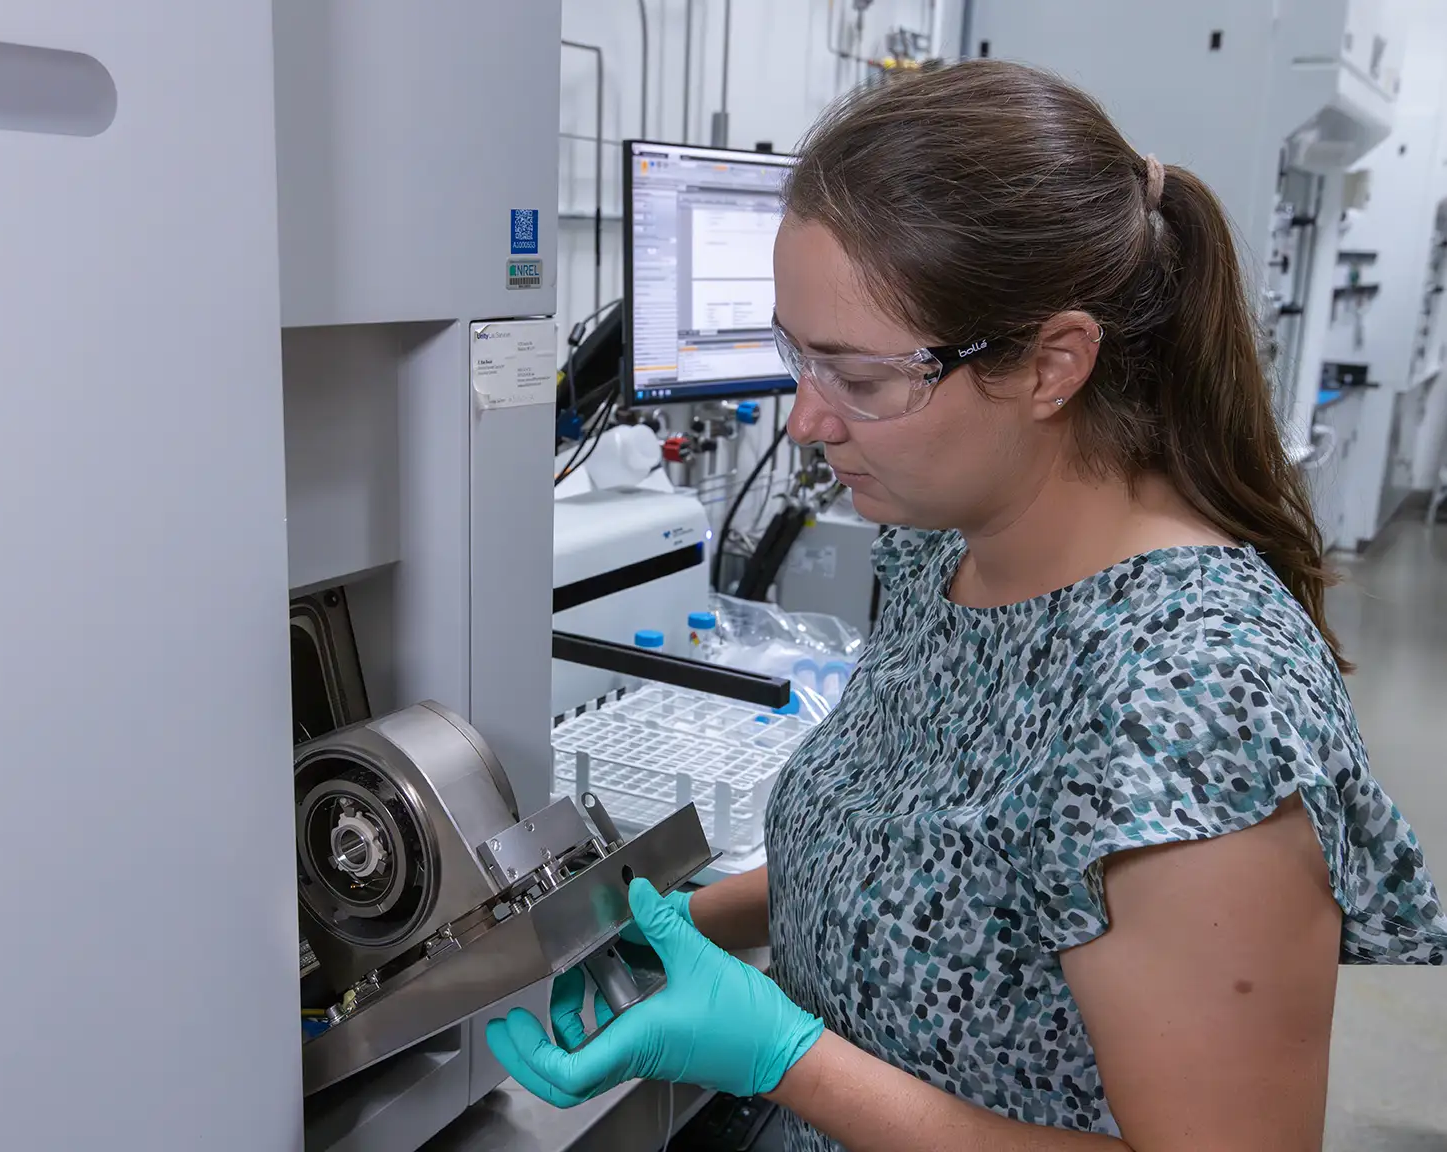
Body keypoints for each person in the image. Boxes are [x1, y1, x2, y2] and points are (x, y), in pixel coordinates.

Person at [488, 60, 1447, 1150]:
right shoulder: (940, 552)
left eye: (861, 378)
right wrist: (655, 932)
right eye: (797, 355)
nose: (805, 421)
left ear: (1052, 365)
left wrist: (784, 1061)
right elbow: (923, 865)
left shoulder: (1193, 702)